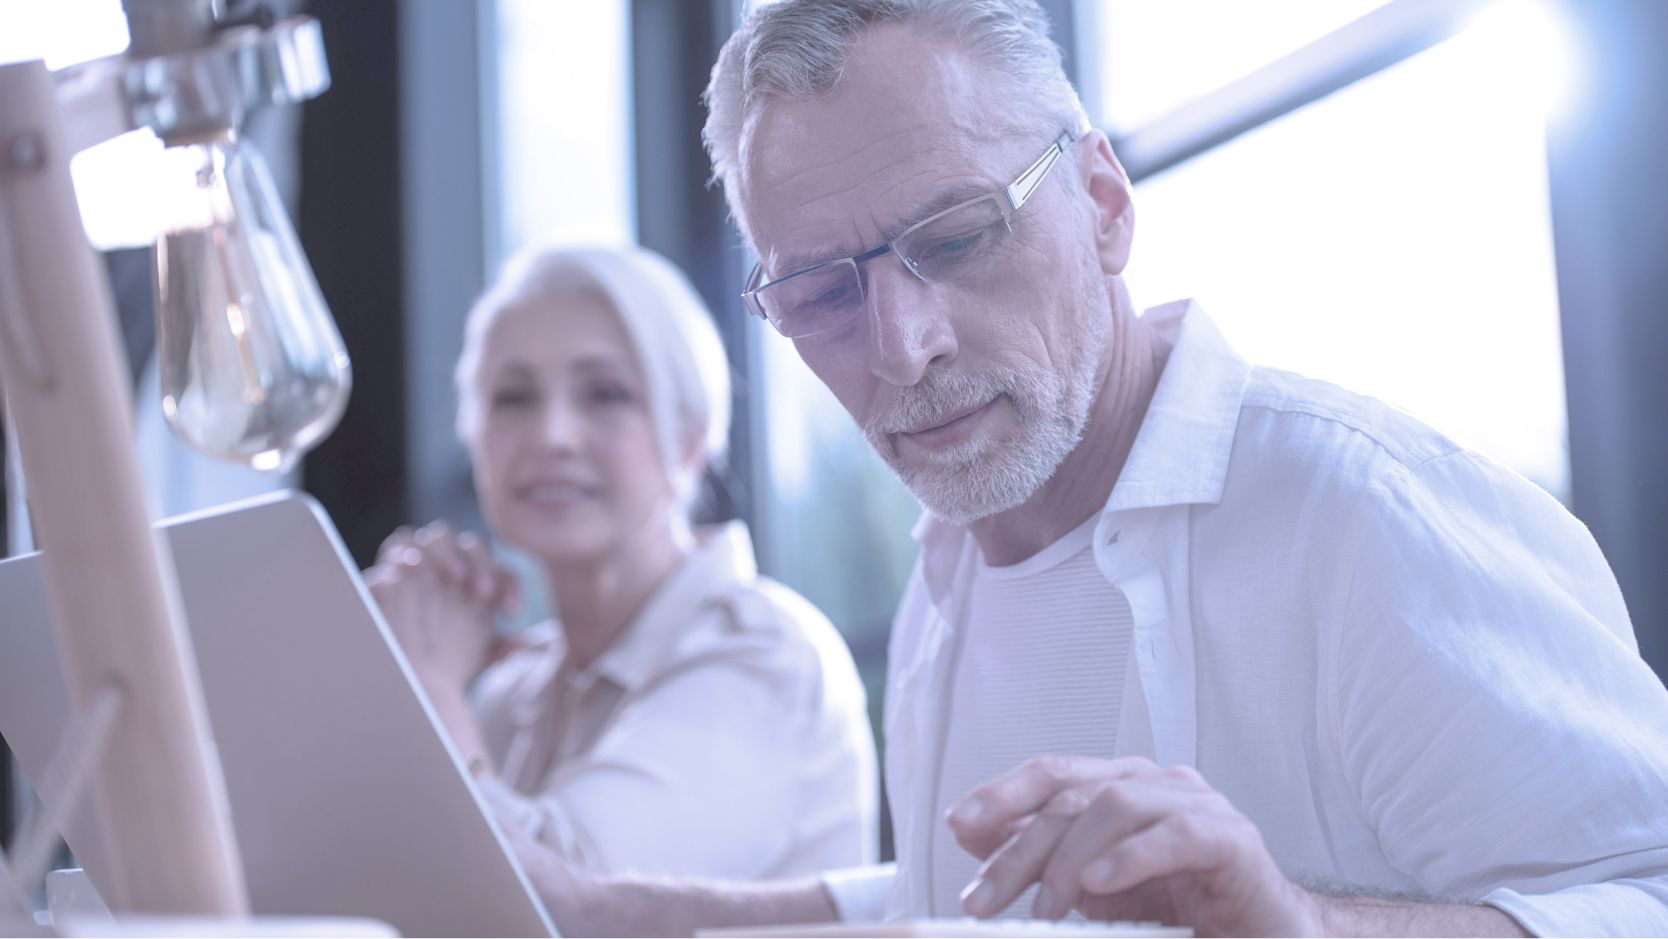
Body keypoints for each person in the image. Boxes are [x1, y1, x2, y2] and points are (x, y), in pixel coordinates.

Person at [498, 1, 1668, 936]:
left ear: (1104, 204)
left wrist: (1299, 923)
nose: (902, 348)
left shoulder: (1363, 516)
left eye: (958, 237)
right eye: (817, 294)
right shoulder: (950, 566)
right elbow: (957, 905)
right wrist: (610, 911)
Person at [363, 244, 878, 880]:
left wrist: (425, 685)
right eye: (514, 398)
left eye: (606, 394)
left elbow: (571, 903)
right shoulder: (507, 695)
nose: (552, 435)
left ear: (691, 439)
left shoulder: (766, 656)